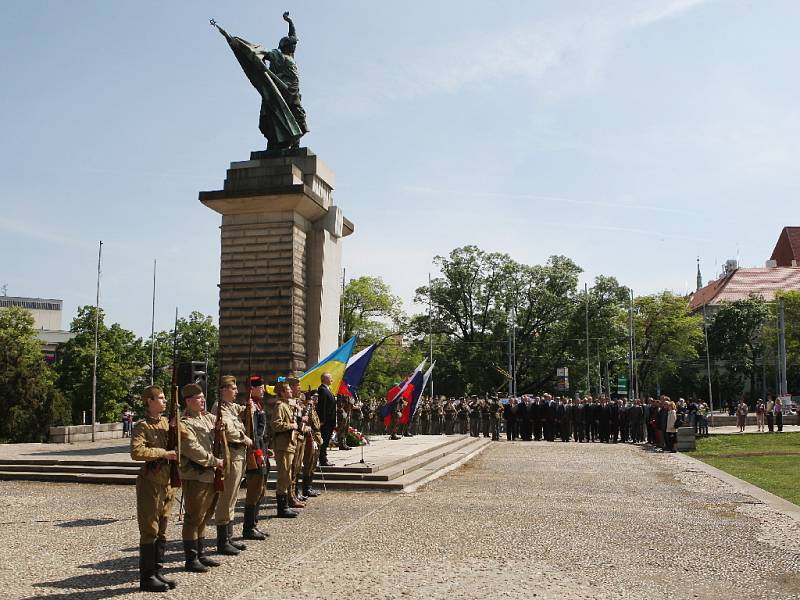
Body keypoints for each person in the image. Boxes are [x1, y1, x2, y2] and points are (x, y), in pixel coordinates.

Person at [130, 386, 177, 592]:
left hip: (168, 481)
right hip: (151, 481)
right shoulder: (142, 426)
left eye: (165, 398)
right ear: (149, 401)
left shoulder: (168, 423)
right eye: (160, 398)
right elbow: (137, 451)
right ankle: (147, 577)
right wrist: (163, 453)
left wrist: (177, 427)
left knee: (163, 528)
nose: (164, 401)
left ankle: (157, 571)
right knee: (150, 528)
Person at [179, 383, 224, 573]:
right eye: (199, 398)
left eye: (203, 397)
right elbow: (192, 449)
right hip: (195, 475)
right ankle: (191, 558)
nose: (203, 400)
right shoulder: (184, 422)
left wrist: (222, 426)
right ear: (189, 401)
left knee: (205, 515)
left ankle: (201, 553)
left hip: (210, 474)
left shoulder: (206, 418)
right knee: (193, 517)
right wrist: (214, 461)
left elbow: (223, 424)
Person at [242, 375, 271, 541]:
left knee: (260, 490)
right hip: (255, 452)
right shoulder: (250, 407)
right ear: (251, 389)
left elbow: (261, 432)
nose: (264, 390)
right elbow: (252, 433)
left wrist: (267, 449)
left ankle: (254, 524)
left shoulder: (258, 405)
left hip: (262, 449)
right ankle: (248, 528)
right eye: (260, 387)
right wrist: (259, 453)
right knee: (254, 491)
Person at [272, 380, 300, 518]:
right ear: (282, 392)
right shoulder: (280, 406)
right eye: (288, 390)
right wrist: (291, 426)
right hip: (282, 446)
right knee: (283, 476)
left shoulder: (287, 405)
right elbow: (276, 425)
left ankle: (285, 505)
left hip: (289, 444)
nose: (290, 391)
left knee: (287, 476)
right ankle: (282, 508)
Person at [302, 391, 323, 498]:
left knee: (313, 463)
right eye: (315, 397)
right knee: (309, 463)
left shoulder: (313, 409)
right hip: (311, 438)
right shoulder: (307, 409)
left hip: (316, 437)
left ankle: (309, 486)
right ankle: (306, 488)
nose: (316, 399)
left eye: (317, 397)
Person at [316, 372, 337, 467]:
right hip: (326, 421)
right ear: (324, 379)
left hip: (330, 420)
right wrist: (322, 420)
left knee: (326, 440)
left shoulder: (327, 389)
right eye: (330, 378)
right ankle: (323, 459)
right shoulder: (322, 390)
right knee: (324, 440)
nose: (331, 379)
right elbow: (322, 406)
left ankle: (324, 458)